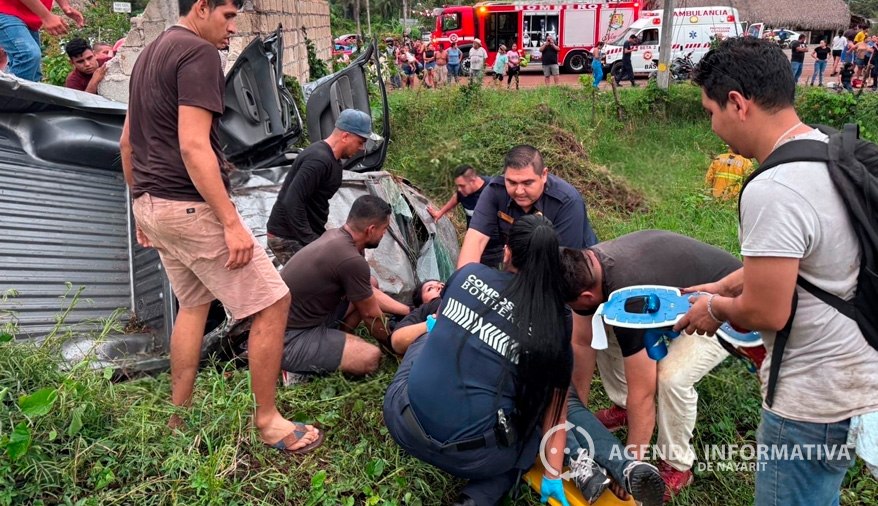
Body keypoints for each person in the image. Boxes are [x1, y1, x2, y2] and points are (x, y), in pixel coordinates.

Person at [120, 0, 324, 454]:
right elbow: (195, 148)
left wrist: (141, 206)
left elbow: (128, 142)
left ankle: (180, 416)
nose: (234, 27)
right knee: (273, 302)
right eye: (228, 16)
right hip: (189, 206)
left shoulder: (149, 54)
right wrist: (232, 223)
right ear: (201, 8)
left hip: (155, 204)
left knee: (193, 305)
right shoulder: (198, 54)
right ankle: (268, 419)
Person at [682, 36, 878, 506]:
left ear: (737, 103)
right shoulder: (828, 149)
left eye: (711, 112)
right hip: (862, 372)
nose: (713, 126)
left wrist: (715, 307)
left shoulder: (774, 188)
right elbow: (816, 256)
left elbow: (766, 312)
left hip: (814, 399)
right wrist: (727, 282)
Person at [383, 215, 574, 506]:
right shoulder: (555, 323)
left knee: (429, 336)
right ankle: (476, 499)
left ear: (507, 251)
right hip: (476, 459)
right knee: (533, 427)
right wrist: (551, 474)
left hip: (403, 423)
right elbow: (556, 414)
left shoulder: (468, 274)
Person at [559, 231, 745, 501]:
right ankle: (622, 408)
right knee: (602, 323)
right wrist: (578, 418)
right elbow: (583, 343)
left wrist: (628, 465)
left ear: (586, 295)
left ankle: (677, 464)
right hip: (676, 297)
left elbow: (644, 393)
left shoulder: (630, 298)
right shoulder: (585, 268)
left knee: (671, 376)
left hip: (729, 308)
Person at [280, 195, 405, 377]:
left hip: (305, 318)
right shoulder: (350, 259)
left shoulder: (337, 237)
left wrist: (408, 311)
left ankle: (338, 340)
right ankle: (297, 368)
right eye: (384, 230)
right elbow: (371, 315)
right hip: (288, 338)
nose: (384, 235)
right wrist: (394, 345)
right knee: (370, 357)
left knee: (370, 284)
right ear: (371, 230)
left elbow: (368, 293)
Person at [266, 109, 378, 266]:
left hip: (305, 233)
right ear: (345, 136)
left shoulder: (334, 161)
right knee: (323, 280)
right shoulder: (318, 160)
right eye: (361, 142)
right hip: (287, 236)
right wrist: (312, 242)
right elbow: (292, 201)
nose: (362, 148)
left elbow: (315, 203)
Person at [457, 145, 599, 268]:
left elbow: (562, 263)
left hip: (573, 270)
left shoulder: (566, 202)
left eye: (527, 183)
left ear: (543, 175)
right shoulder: (495, 191)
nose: (519, 191)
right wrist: (462, 285)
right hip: (520, 265)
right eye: (511, 182)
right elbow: (475, 241)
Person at [0, 0, 83, 82]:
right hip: (5, 11)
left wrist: (65, 6)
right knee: (28, 55)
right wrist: (46, 16)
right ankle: (11, 95)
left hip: (30, 16)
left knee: (34, 72)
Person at [387, 279, 444, 355]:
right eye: (430, 289)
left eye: (441, 284)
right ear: (422, 303)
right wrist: (432, 323)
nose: (438, 286)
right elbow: (397, 341)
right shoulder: (423, 309)